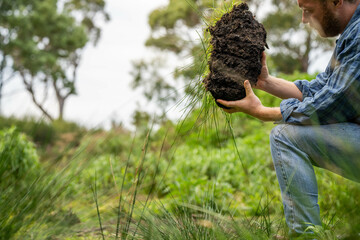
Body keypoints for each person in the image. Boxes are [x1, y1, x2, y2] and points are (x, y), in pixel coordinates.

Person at [217, 0, 360, 237]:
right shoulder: (351, 34)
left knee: (284, 136)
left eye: (308, 10)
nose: (304, 19)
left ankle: (305, 235)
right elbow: (322, 89)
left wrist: (264, 113)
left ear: (336, 1)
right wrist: (265, 82)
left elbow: (334, 103)